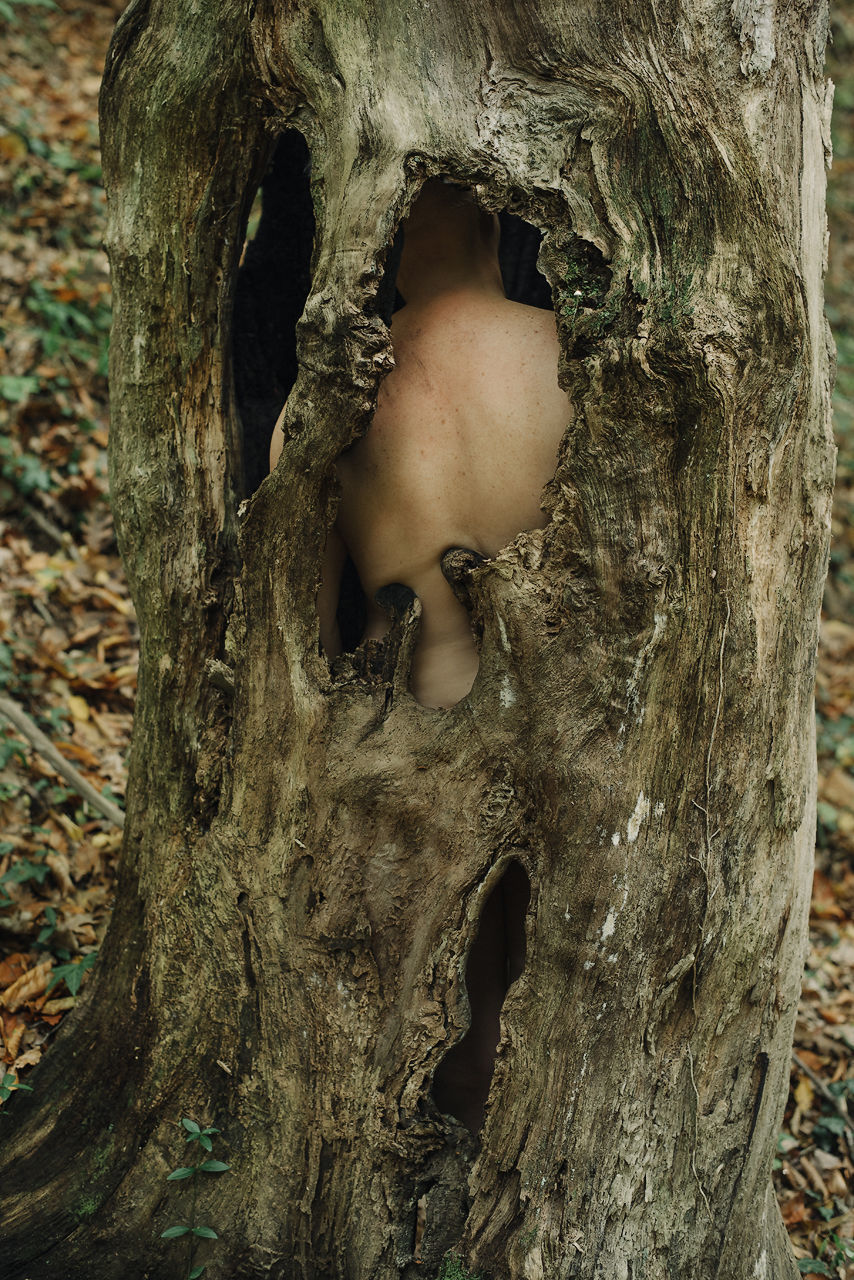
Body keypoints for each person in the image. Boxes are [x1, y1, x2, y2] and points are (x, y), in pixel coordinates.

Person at [270, 179, 569, 1133]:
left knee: (433, 998)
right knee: (538, 989)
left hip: (405, 721)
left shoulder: (328, 396)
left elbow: (302, 632)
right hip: (561, 714)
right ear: (494, 224)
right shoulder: (565, 357)